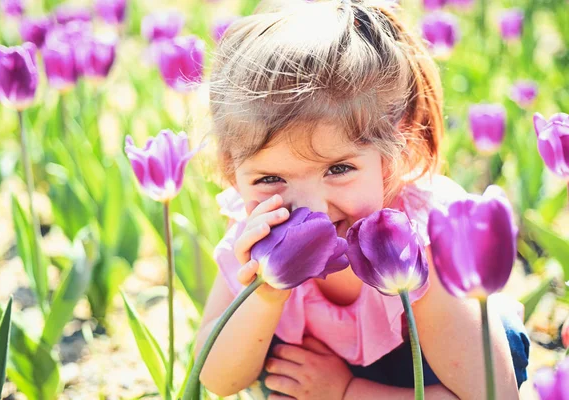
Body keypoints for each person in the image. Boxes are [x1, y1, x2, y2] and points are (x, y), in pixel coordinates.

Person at [195, 0, 530, 398]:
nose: (310, 210)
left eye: (338, 169)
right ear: (232, 170)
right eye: (270, 177)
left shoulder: (416, 243)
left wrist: (347, 392)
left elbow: (494, 394)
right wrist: (266, 294)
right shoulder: (256, 233)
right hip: (314, 373)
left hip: (421, 379)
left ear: (396, 154)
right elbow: (215, 379)